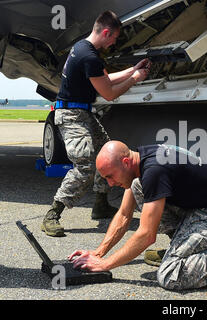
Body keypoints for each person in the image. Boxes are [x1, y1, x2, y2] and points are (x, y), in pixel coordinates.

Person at [68, 141, 207, 290]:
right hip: (203, 210)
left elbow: (146, 235)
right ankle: (180, 249)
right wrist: (98, 253)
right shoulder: (141, 160)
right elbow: (124, 215)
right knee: (137, 186)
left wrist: (105, 265)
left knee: (170, 274)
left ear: (125, 162)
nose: (110, 183)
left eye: (110, 176)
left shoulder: (153, 170)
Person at [41, 11, 152, 237]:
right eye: (114, 38)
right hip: (71, 115)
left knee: (107, 154)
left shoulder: (83, 48)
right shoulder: (89, 57)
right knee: (85, 165)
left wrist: (132, 69)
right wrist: (135, 79)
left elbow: (104, 80)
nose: (113, 43)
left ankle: (100, 204)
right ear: (105, 32)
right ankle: (52, 214)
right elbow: (109, 94)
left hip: (83, 113)